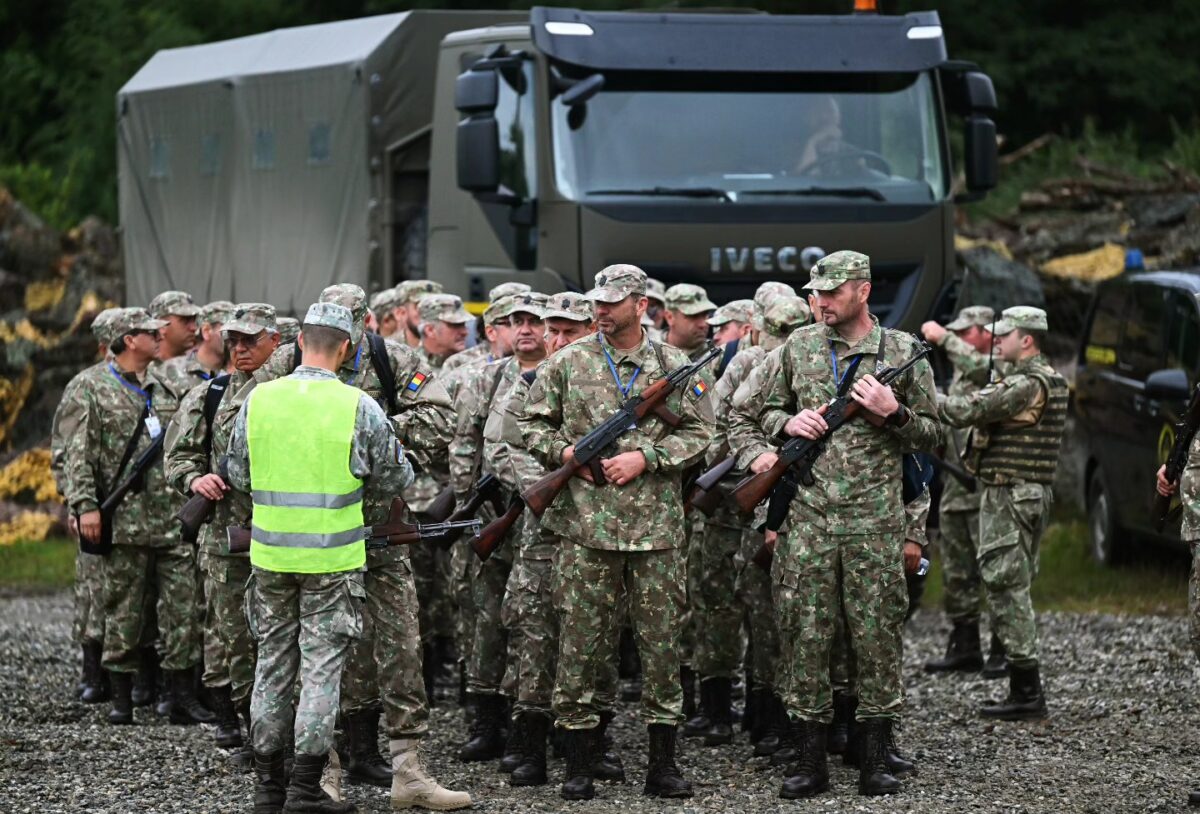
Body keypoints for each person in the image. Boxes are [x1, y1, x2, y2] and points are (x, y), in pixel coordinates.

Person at [729, 250, 942, 798]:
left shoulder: (902, 352)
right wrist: (781, 425)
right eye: (814, 292)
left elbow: (937, 438)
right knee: (805, 637)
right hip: (808, 524)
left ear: (863, 291)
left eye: (831, 291)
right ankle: (808, 759)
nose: (819, 300)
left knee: (876, 639)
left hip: (875, 525)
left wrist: (895, 413)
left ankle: (873, 756)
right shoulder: (798, 348)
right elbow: (743, 415)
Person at [254, 284, 460, 803]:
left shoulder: (397, 360)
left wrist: (369, 431)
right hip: (314, 538)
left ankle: (409, 770)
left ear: (365, 324)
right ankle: (323, 770)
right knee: (317, 658)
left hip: (381, 530)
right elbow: (246, 423)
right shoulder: (284, 362)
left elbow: (441, 419)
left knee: (400, 646)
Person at [519, 264, 714, 801]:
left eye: (612, 302)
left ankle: (663, 764)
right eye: (596, 302)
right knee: (581, 646)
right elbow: (531, 422)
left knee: (661, 649)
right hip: (585, 530)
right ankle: (579, 762)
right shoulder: (566, 362)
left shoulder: (675, 365)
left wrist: (646, 458)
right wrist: (564, 455)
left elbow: (704, 434)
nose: (600, 310)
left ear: (641, 304)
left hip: (656, 533)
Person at [228, 302, 413, 814]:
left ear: (297, 344)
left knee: (271, 666)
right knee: (321, 673)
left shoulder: (259, 400)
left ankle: (267, 790)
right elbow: (399, 478)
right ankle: (306, 791)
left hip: (268, 557)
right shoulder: (357, 405)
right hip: (333, 560)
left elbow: (237, 475)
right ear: (348, 347)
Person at [62, 307, 211, 727]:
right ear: (130, 340)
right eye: (149, 332)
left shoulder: (165, 387)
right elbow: (78, 454)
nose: (158, 335)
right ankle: (122, 698)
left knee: (183, 609)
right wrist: (86, 506)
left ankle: (181, 695)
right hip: (124, 522)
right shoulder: (91, 387)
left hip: (172, 522)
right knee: (123, 610)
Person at [164, 303, 282, 767]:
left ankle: (301, 737)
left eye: (251, 340)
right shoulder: (208, 395)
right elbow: (178, 456)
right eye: (233, 340)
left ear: (277, 340)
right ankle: (257, 738)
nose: (241, 349)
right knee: (238, 638)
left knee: (288, 637)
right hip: (228, 539)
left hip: (289, 534)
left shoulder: (296, 393)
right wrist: (195, 480)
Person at [940, 306, 1068, 721]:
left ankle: (1026, 691)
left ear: (1026, 339)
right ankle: (1022, 685)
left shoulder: (1027, 383)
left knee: (1005, 583)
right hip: (1022, 492)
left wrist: (910, 395)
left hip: (1011, 493)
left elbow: (966, 411)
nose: (997, 340)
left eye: (1005, 335)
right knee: (1010, 581)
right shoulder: (1045, 379)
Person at [452, 293, 548, 765]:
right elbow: (465, 443)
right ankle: (486, 723)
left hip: (545, 517)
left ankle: (532, 724)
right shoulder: (487, 378)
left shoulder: (560, 374)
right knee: (487, 621)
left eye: (534, 322)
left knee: (537, 623)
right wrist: (469, 503)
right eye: (515, 322)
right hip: (496, 515)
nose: (524, 330)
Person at [920, 306, 998, 675]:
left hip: (987, 489)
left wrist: (944, 338)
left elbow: (985, 372)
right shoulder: (962, 372)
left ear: (987, 332)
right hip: (956, 486)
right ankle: (965, 642)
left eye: (966, 332)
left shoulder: (999, 366)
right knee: (956, 570)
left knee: (996, 569)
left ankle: (1005, 645)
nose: (959, 339)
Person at [52, 307, 122, 705]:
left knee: (122, 592)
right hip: (95, 504)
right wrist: (78, 504)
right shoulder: (85, 387)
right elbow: (66, 452)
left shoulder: (144, 383)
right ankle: (92, 671)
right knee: (93, 589)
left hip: (129, 509)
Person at [443, 281, 532, 373]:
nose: (524, 330)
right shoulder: (460, 364)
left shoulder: (541, 364)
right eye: (511, 323)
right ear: (491, 331)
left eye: (534, 322)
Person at [148, 290, 202, 361]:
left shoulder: (202, 368)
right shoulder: (143, 369)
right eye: (185, 320)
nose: (194, 328)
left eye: (194, 320)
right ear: (161, 325)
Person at [394, 280, 444, 348]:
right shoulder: (387, 349)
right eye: (421, 306)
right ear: (401, 313)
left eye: (435, 306)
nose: (430, 312)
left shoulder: (449, 346)